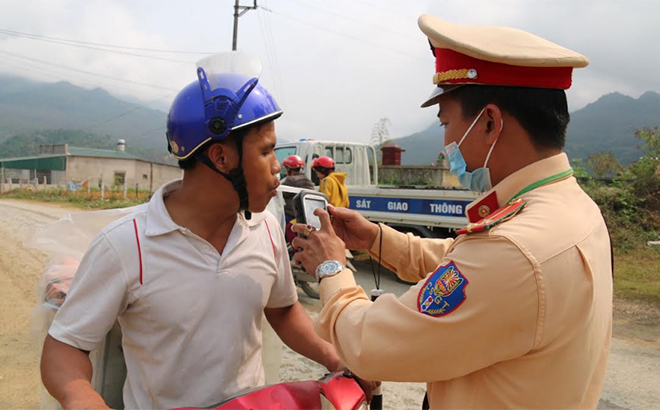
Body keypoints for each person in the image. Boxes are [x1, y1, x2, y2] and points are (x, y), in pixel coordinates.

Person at [292, 15, 613, 409]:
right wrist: (377, 239)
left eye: (446, 123)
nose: (446, 143)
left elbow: (368, 343)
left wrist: (330, 269)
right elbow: (464, 267)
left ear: (490, 122)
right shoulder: (570, 210)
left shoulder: (516, 248)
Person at [40, 53, 347, 410]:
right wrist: (81, 396)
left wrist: (335, 358)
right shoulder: (128, 243)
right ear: (220, 158)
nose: (277, 167)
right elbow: (65, 346)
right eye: (265, 152)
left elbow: (281, 309)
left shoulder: (264, 229)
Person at [281, 154, 314, 223]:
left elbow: (280, 194)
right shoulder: (307, 180)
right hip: (305, 214)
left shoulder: (290, 180)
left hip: (291, 215)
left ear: (289, 168)